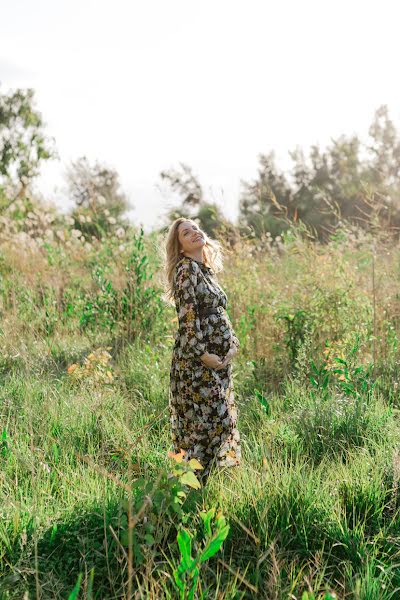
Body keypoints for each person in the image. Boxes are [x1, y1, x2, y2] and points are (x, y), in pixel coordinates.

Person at [163, 217, 241, 482]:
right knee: (210, 424)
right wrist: (203, 355)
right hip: (197, 362)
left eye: (195, 228)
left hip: (219, 361)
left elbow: (219, 313)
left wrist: (231, 346)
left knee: (216, 421)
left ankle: (198, 484)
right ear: (181, 246)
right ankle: (190, 483)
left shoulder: (205, 270)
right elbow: (188, 317)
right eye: (186, 233)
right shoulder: (186, 269)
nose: (195, 233)